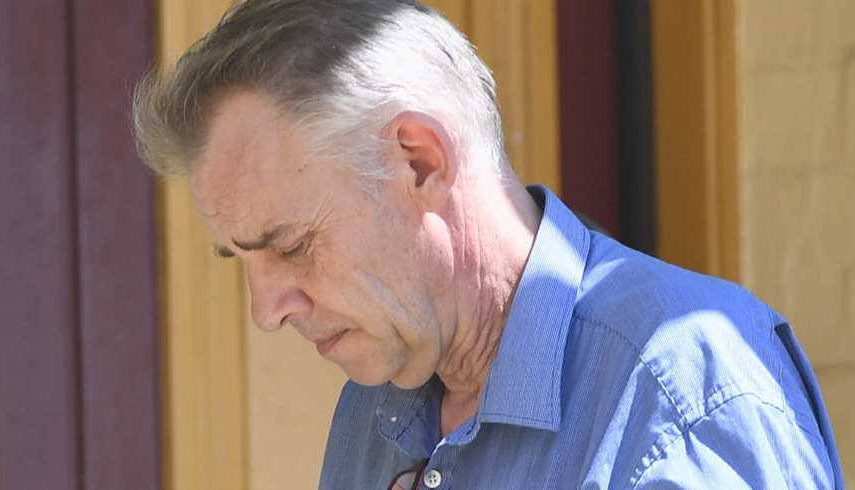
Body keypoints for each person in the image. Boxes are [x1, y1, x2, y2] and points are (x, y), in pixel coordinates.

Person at [132, 0, 844, 488]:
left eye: (289, 246)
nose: (267, 309)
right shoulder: (377, 407)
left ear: (419, 160)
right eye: (242, 259)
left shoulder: (680, 384)